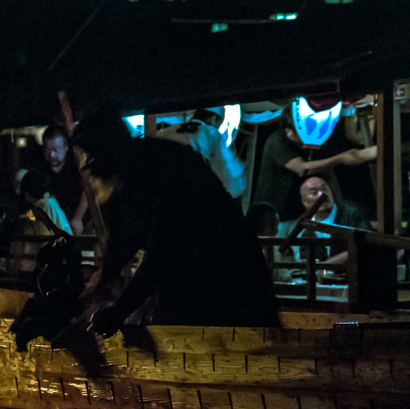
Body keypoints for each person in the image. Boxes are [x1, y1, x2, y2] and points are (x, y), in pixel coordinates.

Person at [70, 106, 280, 335]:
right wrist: (101, 282)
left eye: (89, 155)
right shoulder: (129, 172)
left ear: (107, 150)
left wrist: (119, 311)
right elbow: (123, 237)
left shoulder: (159, 167)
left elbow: (163, 252)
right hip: (196, 277)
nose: (85, 165)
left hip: (230, 281)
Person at [254, 103, 376, 221]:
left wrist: (341, 209)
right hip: (275, 215)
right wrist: (341, 158)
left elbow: (328, 173)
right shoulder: (277, 141)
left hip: (300, 214)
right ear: (289, 131)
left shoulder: (312, 142)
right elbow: (302, 168)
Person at [277, 170, 369, 267]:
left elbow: (365, 246)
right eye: (314, 192)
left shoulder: (351, 215)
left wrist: (327, 264)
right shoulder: (304, 226)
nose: (322, 194)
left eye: (324, 189)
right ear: (304, 202)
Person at [156, 107, 246, 198]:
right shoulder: (210, 132)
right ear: (214, 119)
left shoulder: (166, 131)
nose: (218, 127)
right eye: (219, 124)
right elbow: (227, 171)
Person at [41, 124, 88, 235]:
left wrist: (78, 218)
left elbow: (88, 189)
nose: (52, 155)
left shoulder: (77, 169)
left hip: (76, 229)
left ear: (66, 147)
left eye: (56, 150)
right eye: (48, 150)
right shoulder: (40, 171)